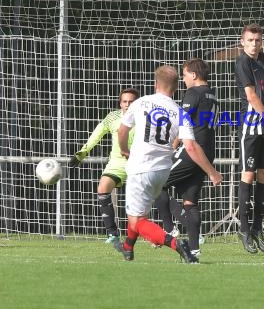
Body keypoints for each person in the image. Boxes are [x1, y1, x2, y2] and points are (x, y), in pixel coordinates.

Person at [117, 65, 222, 263]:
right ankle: (128, 248)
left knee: (137, 220)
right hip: (162, 170)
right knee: (139, 214)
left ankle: (174, 242)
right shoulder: (178, 111)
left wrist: (124, 150)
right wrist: (211, 171)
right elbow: (190, 146)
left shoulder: (141, 102)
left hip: (141, 167)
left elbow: (122, 131)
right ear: (175, 87)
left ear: (156, 84)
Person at [155, 58, 219, 257]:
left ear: (193, 75)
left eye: (184, 75)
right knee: (190, 201)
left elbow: (182, 125)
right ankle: (194, 249)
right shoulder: (212, 95)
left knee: (157, 181)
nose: (183, 80)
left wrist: (170, 149)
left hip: (193, 152)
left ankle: (169, 227)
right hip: (208, 152)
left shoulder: (193, 93)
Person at [69, 87, 139, 247]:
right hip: (117, 163)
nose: (128, 104)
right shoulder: (113, 117)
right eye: (124, 101)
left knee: (147, 198)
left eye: (131, 101)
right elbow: (97, 133)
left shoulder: (144, 118)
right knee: (102, 188)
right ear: (120, 103)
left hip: (138, 163)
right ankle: (112, 234)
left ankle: (162, 232)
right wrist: (83, 152)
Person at [234, 23, 264, 254]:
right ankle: (244, 229)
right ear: (242, 42)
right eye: (250, 40)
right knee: (248, 176)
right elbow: (251, 95)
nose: (254, 44)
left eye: (257, 40)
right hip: (252, 127)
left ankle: (258, 228)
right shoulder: (243, 62)